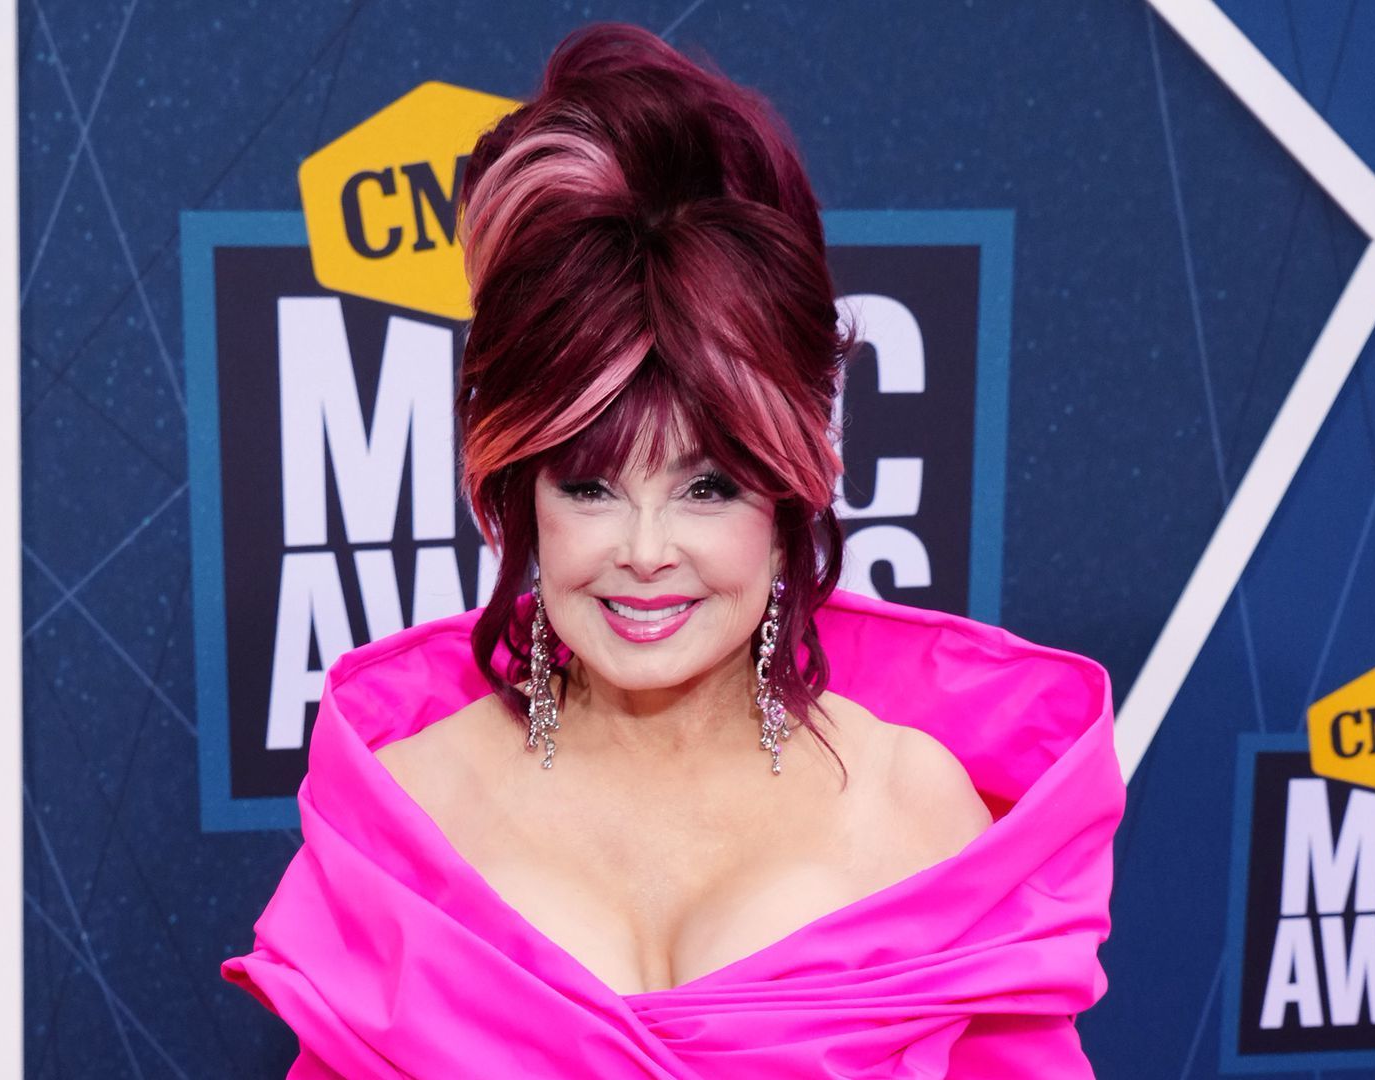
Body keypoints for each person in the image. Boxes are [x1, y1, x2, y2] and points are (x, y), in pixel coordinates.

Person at [223, 22, 1124, 1078]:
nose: (646, 552)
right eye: (592, 485)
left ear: (789, 491)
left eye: (707, 487)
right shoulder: (411, 812)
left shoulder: (915, 805)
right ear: (519, 491)